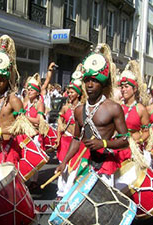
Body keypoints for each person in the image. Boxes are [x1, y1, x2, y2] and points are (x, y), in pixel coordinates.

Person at [55, 43, 129, 186]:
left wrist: (103, 143)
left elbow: (125, 141)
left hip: (105, 165)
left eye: (95, 81)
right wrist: (64, 162)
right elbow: (76, 139)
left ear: (103, 84)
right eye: (87, 80)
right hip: (85, 162)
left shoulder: (113, 108)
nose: (89, 84)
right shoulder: (78, 110)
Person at [0, 35, 26, 168]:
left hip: (9, 150)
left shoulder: (13, 100)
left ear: (7, 79)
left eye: (2, 78)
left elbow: (23, 129)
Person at [54, 67, 88, 199]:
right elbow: (59, 121)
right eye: (69, 91)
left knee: (73, 168)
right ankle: (60, 191)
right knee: (63, 166)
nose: (69, 94)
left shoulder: (83, 108)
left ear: (78, 94)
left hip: (76, 142)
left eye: (72, 92)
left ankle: (68, 191)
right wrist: (58, 138)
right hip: (65, 140)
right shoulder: (65, 107)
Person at [118, 60, 152, 164]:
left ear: (135, 89)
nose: (123, 89)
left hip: (134, 149)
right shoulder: (117, 106)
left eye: (126, 87)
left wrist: (139, 141)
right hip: (118, 147)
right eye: (122, 87)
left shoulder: (141, 109)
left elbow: (146, 132)